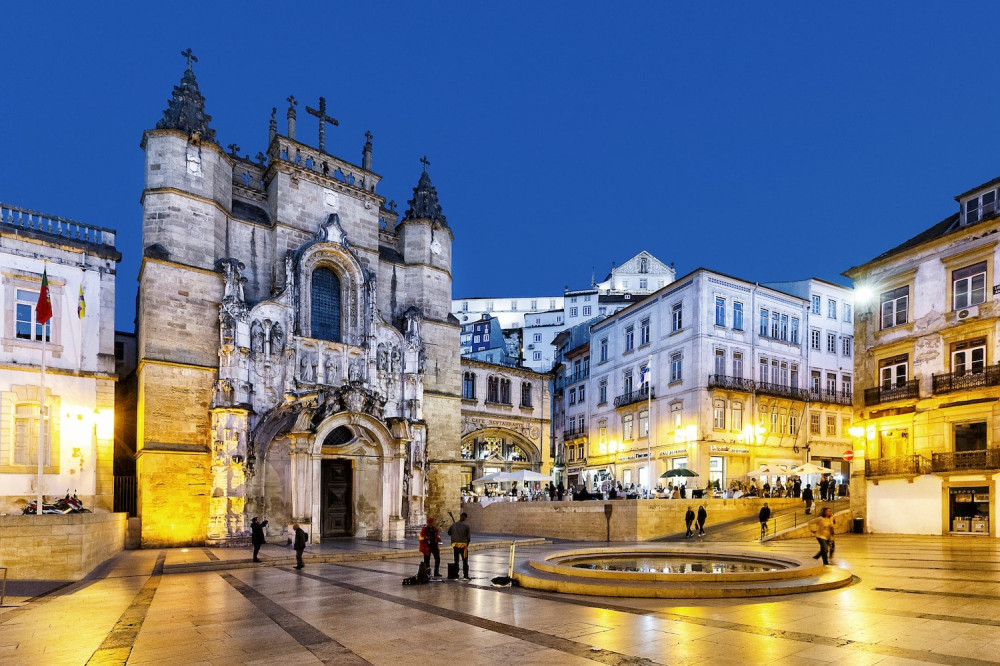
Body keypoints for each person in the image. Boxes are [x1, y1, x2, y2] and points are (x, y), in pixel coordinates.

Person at [448, 512, 472, 580]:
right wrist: (467, 545)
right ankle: (465, 576)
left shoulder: (454, 525)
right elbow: (468, 538)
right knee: (465, 561)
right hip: (463, 547)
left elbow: (449, 533)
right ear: (465, 518)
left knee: (456, 561)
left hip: (455, 546)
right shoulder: (467, 526)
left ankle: (456, 575)